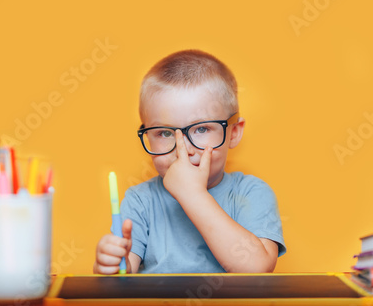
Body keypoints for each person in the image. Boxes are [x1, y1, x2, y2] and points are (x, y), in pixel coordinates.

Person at [93, 50, 285, 274]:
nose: (183, 149)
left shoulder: (252, 193)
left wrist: (192, 195)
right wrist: (112, 265)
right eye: (164, 133)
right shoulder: (140, 201)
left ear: (233, 133)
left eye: (201, 129)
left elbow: (257, 269)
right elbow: (123, 280)